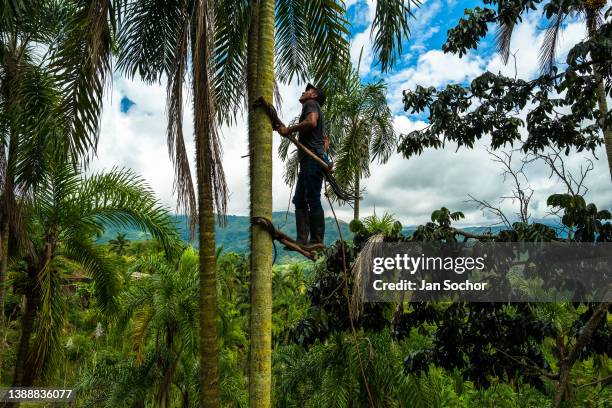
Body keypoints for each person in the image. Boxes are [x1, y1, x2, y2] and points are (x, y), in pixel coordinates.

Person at [278, 83, 326, 249]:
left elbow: (312, 123)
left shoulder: (311, 104)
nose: (304, 92)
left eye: (308, 91)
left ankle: (317, 240)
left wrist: (289, 129)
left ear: (313, 95)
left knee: (312, 198)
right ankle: (302, 240)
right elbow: (322, 136)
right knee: (299, 199)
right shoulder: (311, 105)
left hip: (313, 159)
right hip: (308, 160)